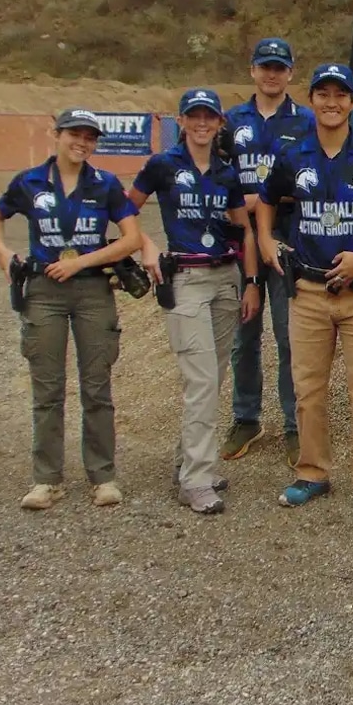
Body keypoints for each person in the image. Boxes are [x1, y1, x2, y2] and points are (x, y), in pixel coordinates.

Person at [255, 63, 353, 519]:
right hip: (307, 291)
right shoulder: (294, 156)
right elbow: (267, 200)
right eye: (322, 94)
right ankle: (312, 472)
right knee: (308, 389)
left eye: (340, 94)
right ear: (311, 100)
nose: (331, 102)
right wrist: (266, 239)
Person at [0, 107, 144, 511]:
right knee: (47, 387)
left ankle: (103, 476)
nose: (82, 143)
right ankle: (46, 480)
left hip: (92, 290)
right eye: (75, 134)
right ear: (56, 135)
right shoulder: (29, 182)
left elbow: (131, 240)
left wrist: (81, 262)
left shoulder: (106, 185)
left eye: (90, 137)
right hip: (44, 290)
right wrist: (3, 255)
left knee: (96, 386)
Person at [128, 89, 262, 514]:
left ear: (220, 122)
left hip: (225, 277)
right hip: (185, 277)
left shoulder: (227, 173)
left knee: (214, 375)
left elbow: (244, 230)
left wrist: (251, 282)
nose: (201, 123)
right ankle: (195, 479)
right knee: (201, 381)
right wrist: (146, 245)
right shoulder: (163, 165)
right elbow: (123, 209)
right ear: (181, 121)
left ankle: (191, 461)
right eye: (193, 116)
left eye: (209, 116)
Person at [222, 36, 315, 466]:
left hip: (287, 240)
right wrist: (236, 208)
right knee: (244, 336)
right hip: (238, 242)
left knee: (288, 336)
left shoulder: (306, 120)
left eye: (280, 67)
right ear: (253, 71)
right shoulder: (229, 120)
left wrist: (263, 202)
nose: (272, 73)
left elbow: (315, 179)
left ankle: (295, 425)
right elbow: (215, 177)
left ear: (290, 72)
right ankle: (246, 417)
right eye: (265, 66)